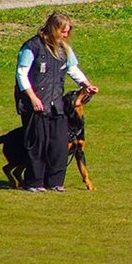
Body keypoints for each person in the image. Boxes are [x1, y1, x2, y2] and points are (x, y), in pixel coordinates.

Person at [15, 13, 98, 193]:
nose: (66, 35)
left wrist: (87, 84)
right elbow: (21, 74)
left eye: (68, 32)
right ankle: (34, 182)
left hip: (56, 104)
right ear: (54, 29)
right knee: (37, 144)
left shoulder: (64, 50)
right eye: (63, 31)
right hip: (36, 103)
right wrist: (33, 97)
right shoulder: (32, 47)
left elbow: (72, 69)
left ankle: (54, 182)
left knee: (58, 144)